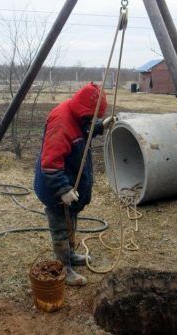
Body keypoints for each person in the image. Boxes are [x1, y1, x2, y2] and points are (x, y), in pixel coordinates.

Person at [34, 82, 113, 286]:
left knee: (71, 220)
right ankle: (63, 267)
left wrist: (100, 126)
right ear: (83, 110)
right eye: (91, 118)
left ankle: (70, 255)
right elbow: (50, 163)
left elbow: (83, 130)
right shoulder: (61, 121)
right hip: (56, 189)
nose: (91, 121)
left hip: (71, 183)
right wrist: (63, 189)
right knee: (61, 225)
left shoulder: (78, 115)